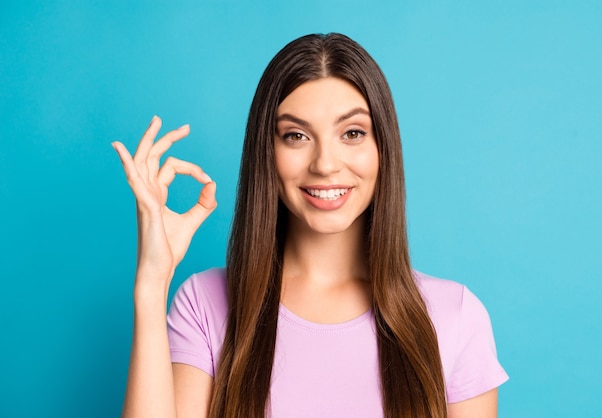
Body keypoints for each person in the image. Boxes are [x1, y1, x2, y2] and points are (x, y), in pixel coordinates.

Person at [112, 33, 508, 418]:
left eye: (352, 133)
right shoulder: (204, 305)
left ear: (382, 148)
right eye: (296, 136)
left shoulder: (454, 317)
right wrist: (152, 282)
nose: (325, 164)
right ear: (267, 152)